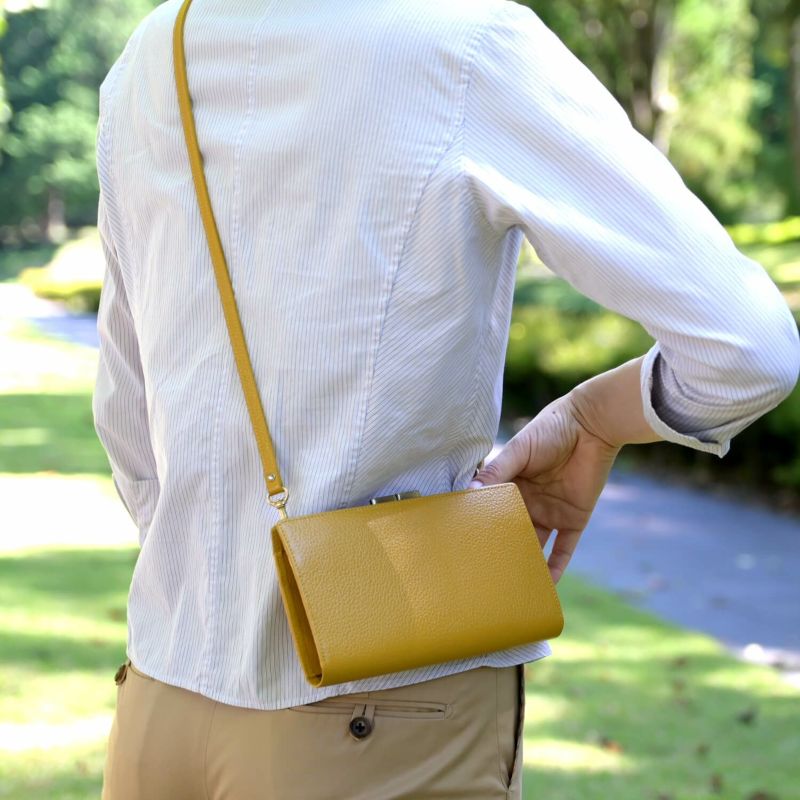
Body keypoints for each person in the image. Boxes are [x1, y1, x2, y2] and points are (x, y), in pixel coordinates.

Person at [94, 0, 800, 797]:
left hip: (158, 703)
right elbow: (746, 349)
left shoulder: (153, 57)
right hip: (381, 707)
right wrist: (593, 419)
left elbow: (128, 422)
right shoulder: (469, 47)